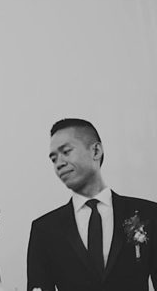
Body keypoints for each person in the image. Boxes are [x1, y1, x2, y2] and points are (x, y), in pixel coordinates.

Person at [27, 118, 157, 291]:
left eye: (66, 151)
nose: (59, 163)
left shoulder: (148, 213)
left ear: (96, 151)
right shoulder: (44, 229)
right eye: (53, 159)